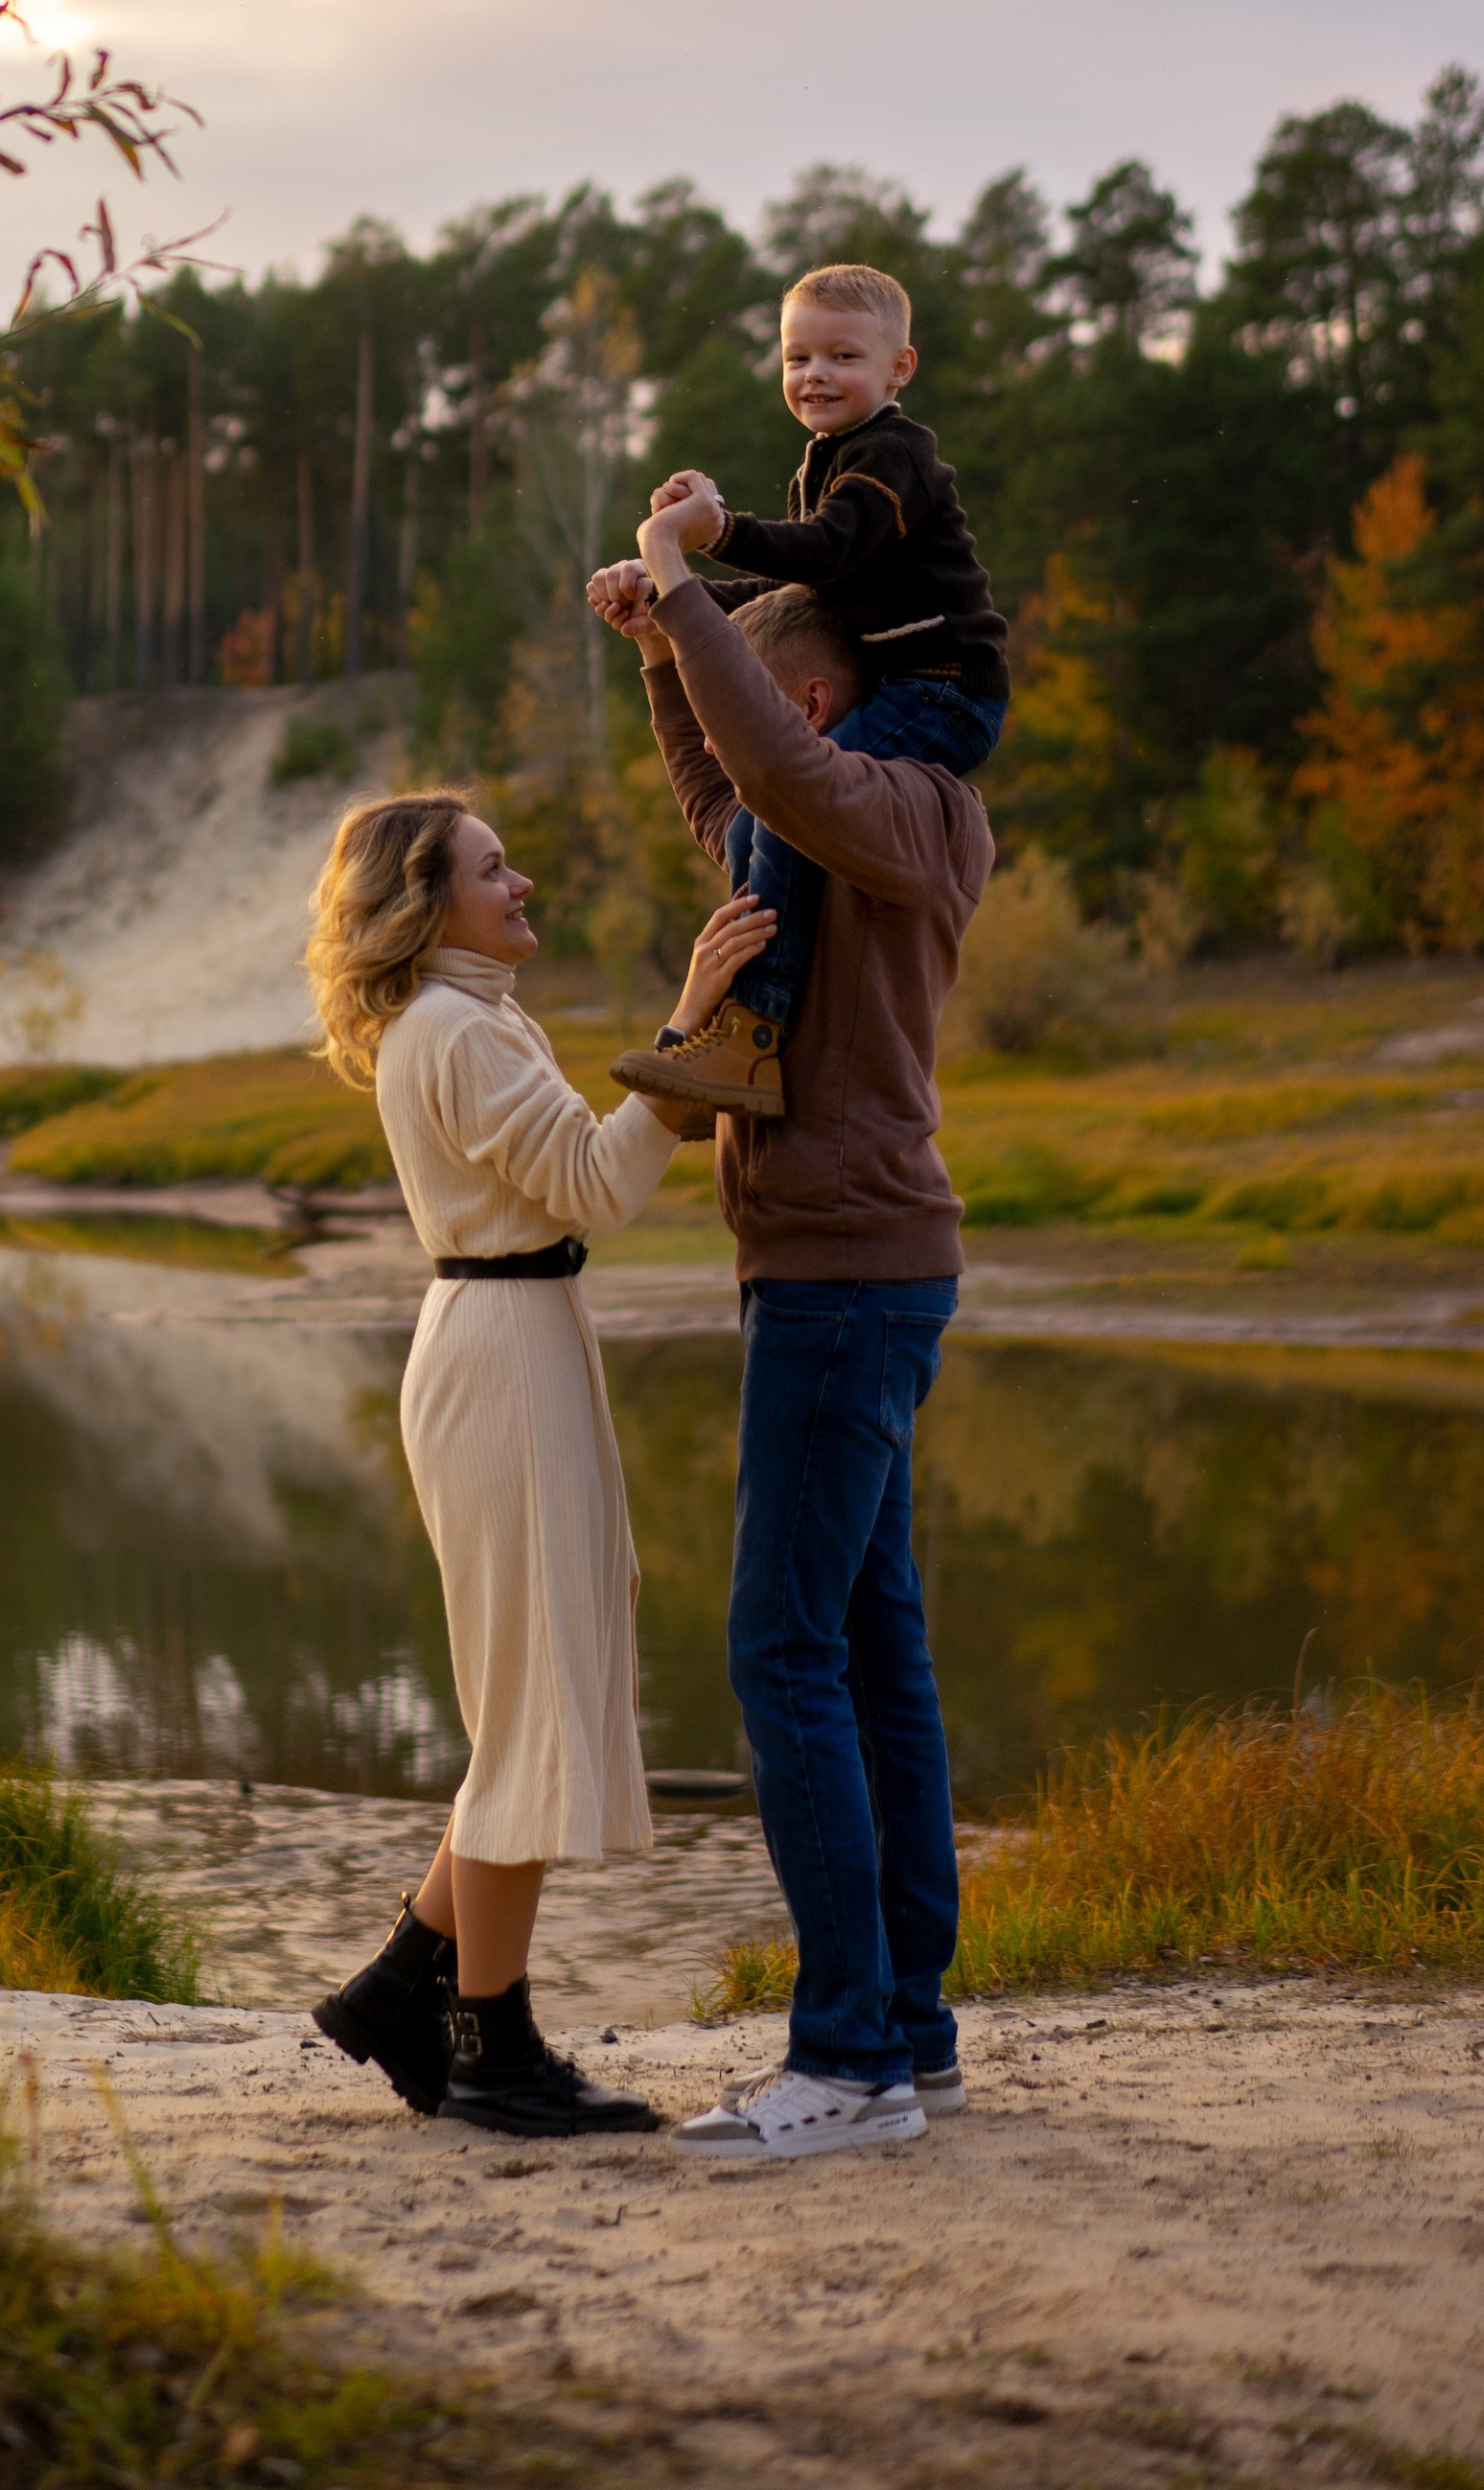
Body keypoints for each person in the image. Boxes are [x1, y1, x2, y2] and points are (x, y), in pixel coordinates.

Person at [585, 511, 993, 2168]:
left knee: (783, 1654)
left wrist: (690, 597)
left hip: (846, 1278)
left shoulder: (903, 808)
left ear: (806, 702)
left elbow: (780, 779)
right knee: (874, 1652)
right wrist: (663, 662)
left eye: (753, 693)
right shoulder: (804, 833)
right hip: (830, 1273)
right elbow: (725, 793)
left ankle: (843, 2063)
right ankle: (914, 2037)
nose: (743, 730)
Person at [302, 787, 777, 2138]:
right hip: (501, 1352)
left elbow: (579, 1183)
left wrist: (693, 1064)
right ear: (426, 901)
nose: (521, 888)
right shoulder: (453, 1029)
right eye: (492, 870)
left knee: (536, 1685)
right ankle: (486, 2048)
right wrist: (689, 1036)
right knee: (524, 1713)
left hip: (521, 1333)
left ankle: (406, 1990)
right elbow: (598, 1185)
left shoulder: (475, 1016)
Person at [638, 259, 1007, 1123]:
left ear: (898, 370)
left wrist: (718, 531)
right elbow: (799, 595)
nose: (816, 376)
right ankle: (736, 1029)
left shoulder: (893, 459)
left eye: (843, 357)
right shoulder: (827, 463)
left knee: (788, 806)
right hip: (903, 680)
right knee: (757, 825)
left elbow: (829, 553)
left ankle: (755, 1030)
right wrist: (665, 590)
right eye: (798, 358)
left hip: (943, 688)